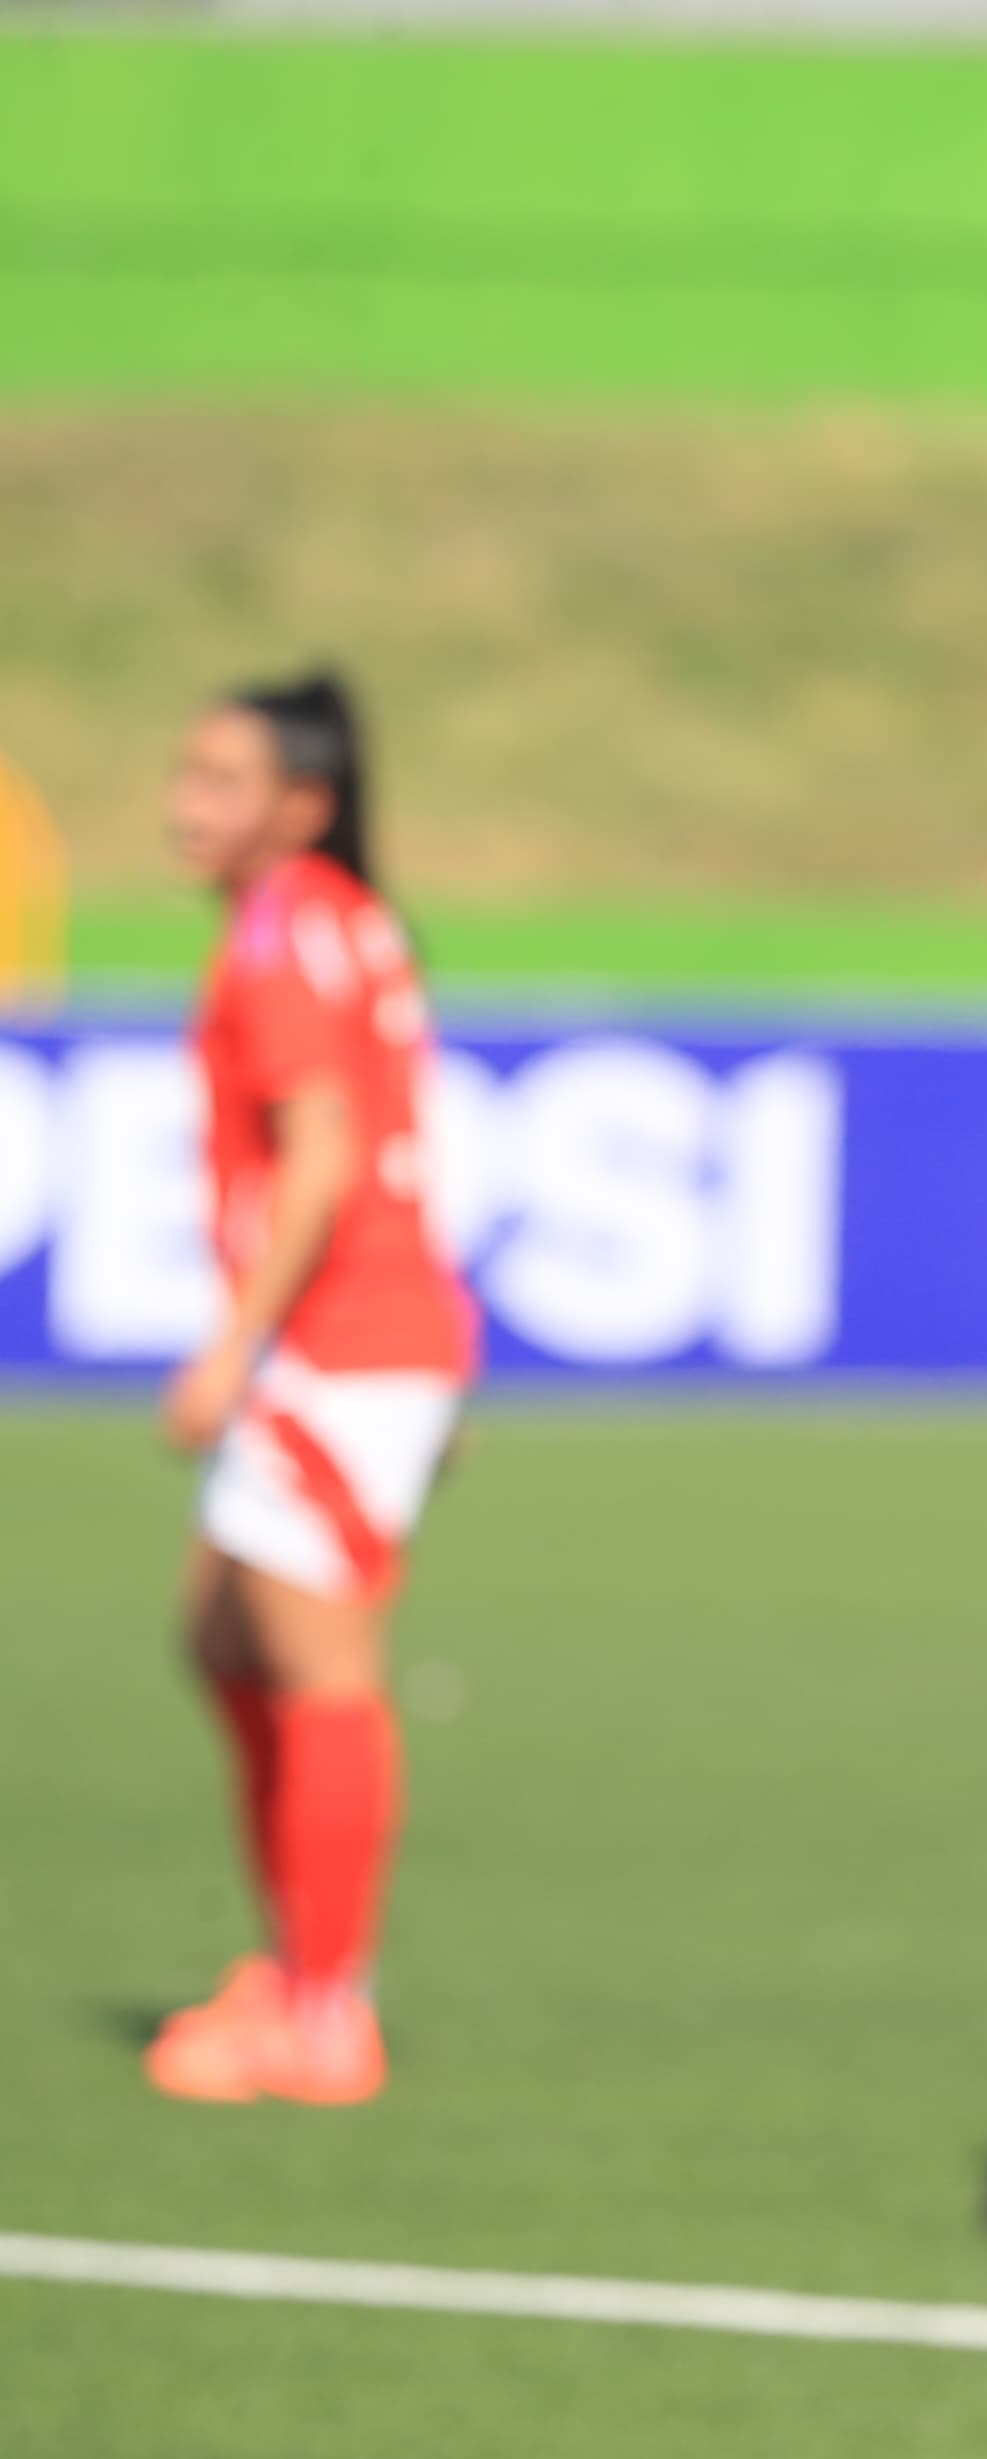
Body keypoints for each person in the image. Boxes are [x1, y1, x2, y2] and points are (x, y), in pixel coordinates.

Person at [143, 669, 480, 2109]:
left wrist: (233, 1343)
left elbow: (326, 1154)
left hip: (336, 1346)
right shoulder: (341, 916)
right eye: (188, 772)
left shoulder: (283, 933)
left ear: (303, 804)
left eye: (222, 780)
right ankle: (299, 1963)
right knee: (222, 1631)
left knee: (319, 1665)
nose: (186, 803)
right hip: (373, 1340)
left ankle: (328, 2012)